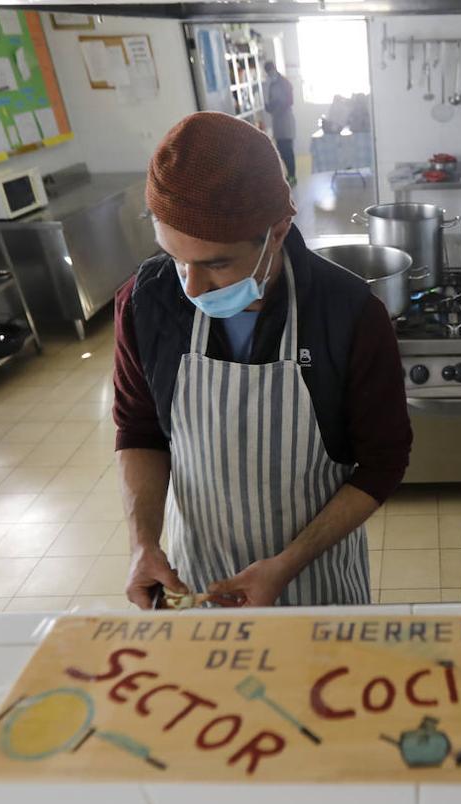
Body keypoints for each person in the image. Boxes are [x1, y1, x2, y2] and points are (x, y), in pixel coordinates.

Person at [113, 112, 412, 608]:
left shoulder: (347, 314)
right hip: (198, 581)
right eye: (176, 258)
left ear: (277, 230)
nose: (190, 287)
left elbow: (383, 460)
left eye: (215, 264)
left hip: (315, 581)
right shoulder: (146, 303)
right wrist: (142, 543)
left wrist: (288, 563)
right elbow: (140, 431)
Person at [263, 61, 297, 185]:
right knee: (281, 150)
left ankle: (292, 176)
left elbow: (290, 100)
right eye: (267, 72)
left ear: (274, 68)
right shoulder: (270, 84)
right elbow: (268, 104)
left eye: (270, 70)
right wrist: (270, 106)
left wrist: (278, 106)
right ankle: (289, 174)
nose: (269, 73)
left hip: (286, 120)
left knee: (288, 150)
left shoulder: (285, 83)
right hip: (277, 121)